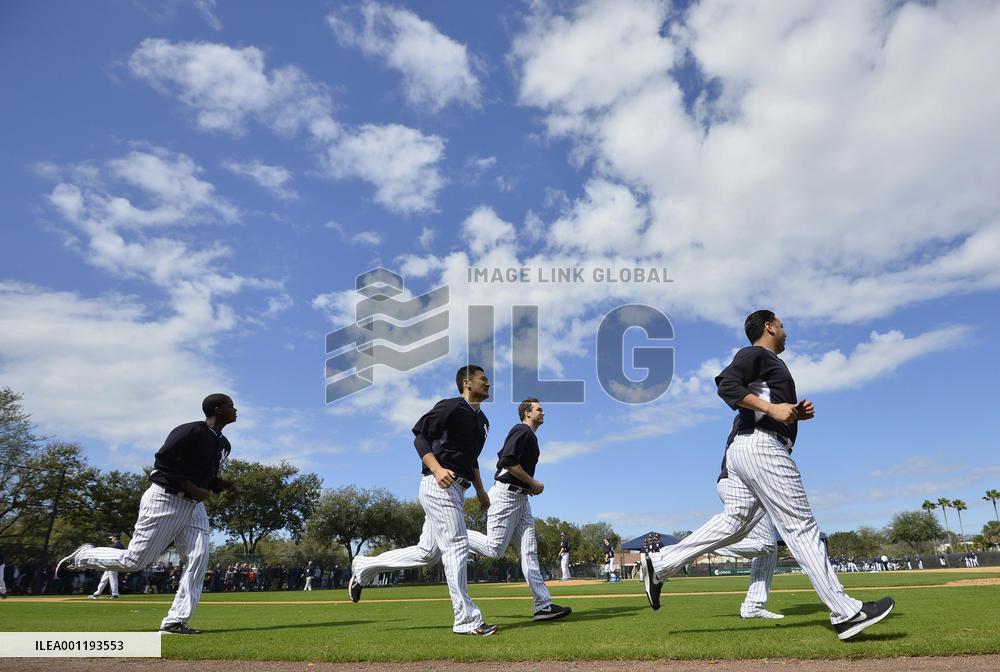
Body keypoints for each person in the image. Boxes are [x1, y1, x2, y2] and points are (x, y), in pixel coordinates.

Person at [640, 311, 894, 641]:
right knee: (800, 526)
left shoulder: (766, 363)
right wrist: (774, 410)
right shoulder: (756, 353)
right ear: (769, 327)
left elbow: (762, 401)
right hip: (762, 448)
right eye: (782, 325)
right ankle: (846, 612)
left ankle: (660, 564)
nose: (785, 331)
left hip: (747, 449)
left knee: (735, 521)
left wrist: (791, 413)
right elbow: (726, 385)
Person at [55, 394, 241, 635]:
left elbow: (207, 478)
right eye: (230, 405)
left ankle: (175, 621)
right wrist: (193, 488)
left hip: (193, 506)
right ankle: (83, 557)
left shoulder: (223, 444)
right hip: (166, 498)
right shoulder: (189, 431)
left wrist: (226, 485)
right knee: (135, 561)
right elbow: (163, 464)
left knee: (199, 557)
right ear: (217, 409)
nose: (235, 409)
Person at [348, 365, 498, 636]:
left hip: (458, 488)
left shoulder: (483, 422)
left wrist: (480, 490)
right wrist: (437, 468)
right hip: (438, 483)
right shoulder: (450, 407)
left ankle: (364, 565)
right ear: (467, 383)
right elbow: (420, 437)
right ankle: (466, 619)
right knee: (457, 545)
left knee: (427, 553)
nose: (488, 383)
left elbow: (471, 459)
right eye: (482, 379)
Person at [465, 399, 572, 621]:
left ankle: (543, 605)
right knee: (494, 549)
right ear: (527, 413)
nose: (543, 411)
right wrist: (531, 482)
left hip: (520, 499)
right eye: (539, 409)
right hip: (505, 495)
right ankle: (454, 532)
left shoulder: (529, 436)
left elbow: (504, 459)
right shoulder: (522, 430)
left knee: (529, 551)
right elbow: (506, 460)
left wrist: (526, 485)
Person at [89, 534, 125, 599]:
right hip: (114, 564)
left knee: (113, 579)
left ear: (115, 538)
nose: (111, 539)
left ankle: (115, 594)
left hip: (112, 564)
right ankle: (97, 593)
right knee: (104, 579)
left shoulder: (114, 546)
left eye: (112, 538)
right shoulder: (121, 545)